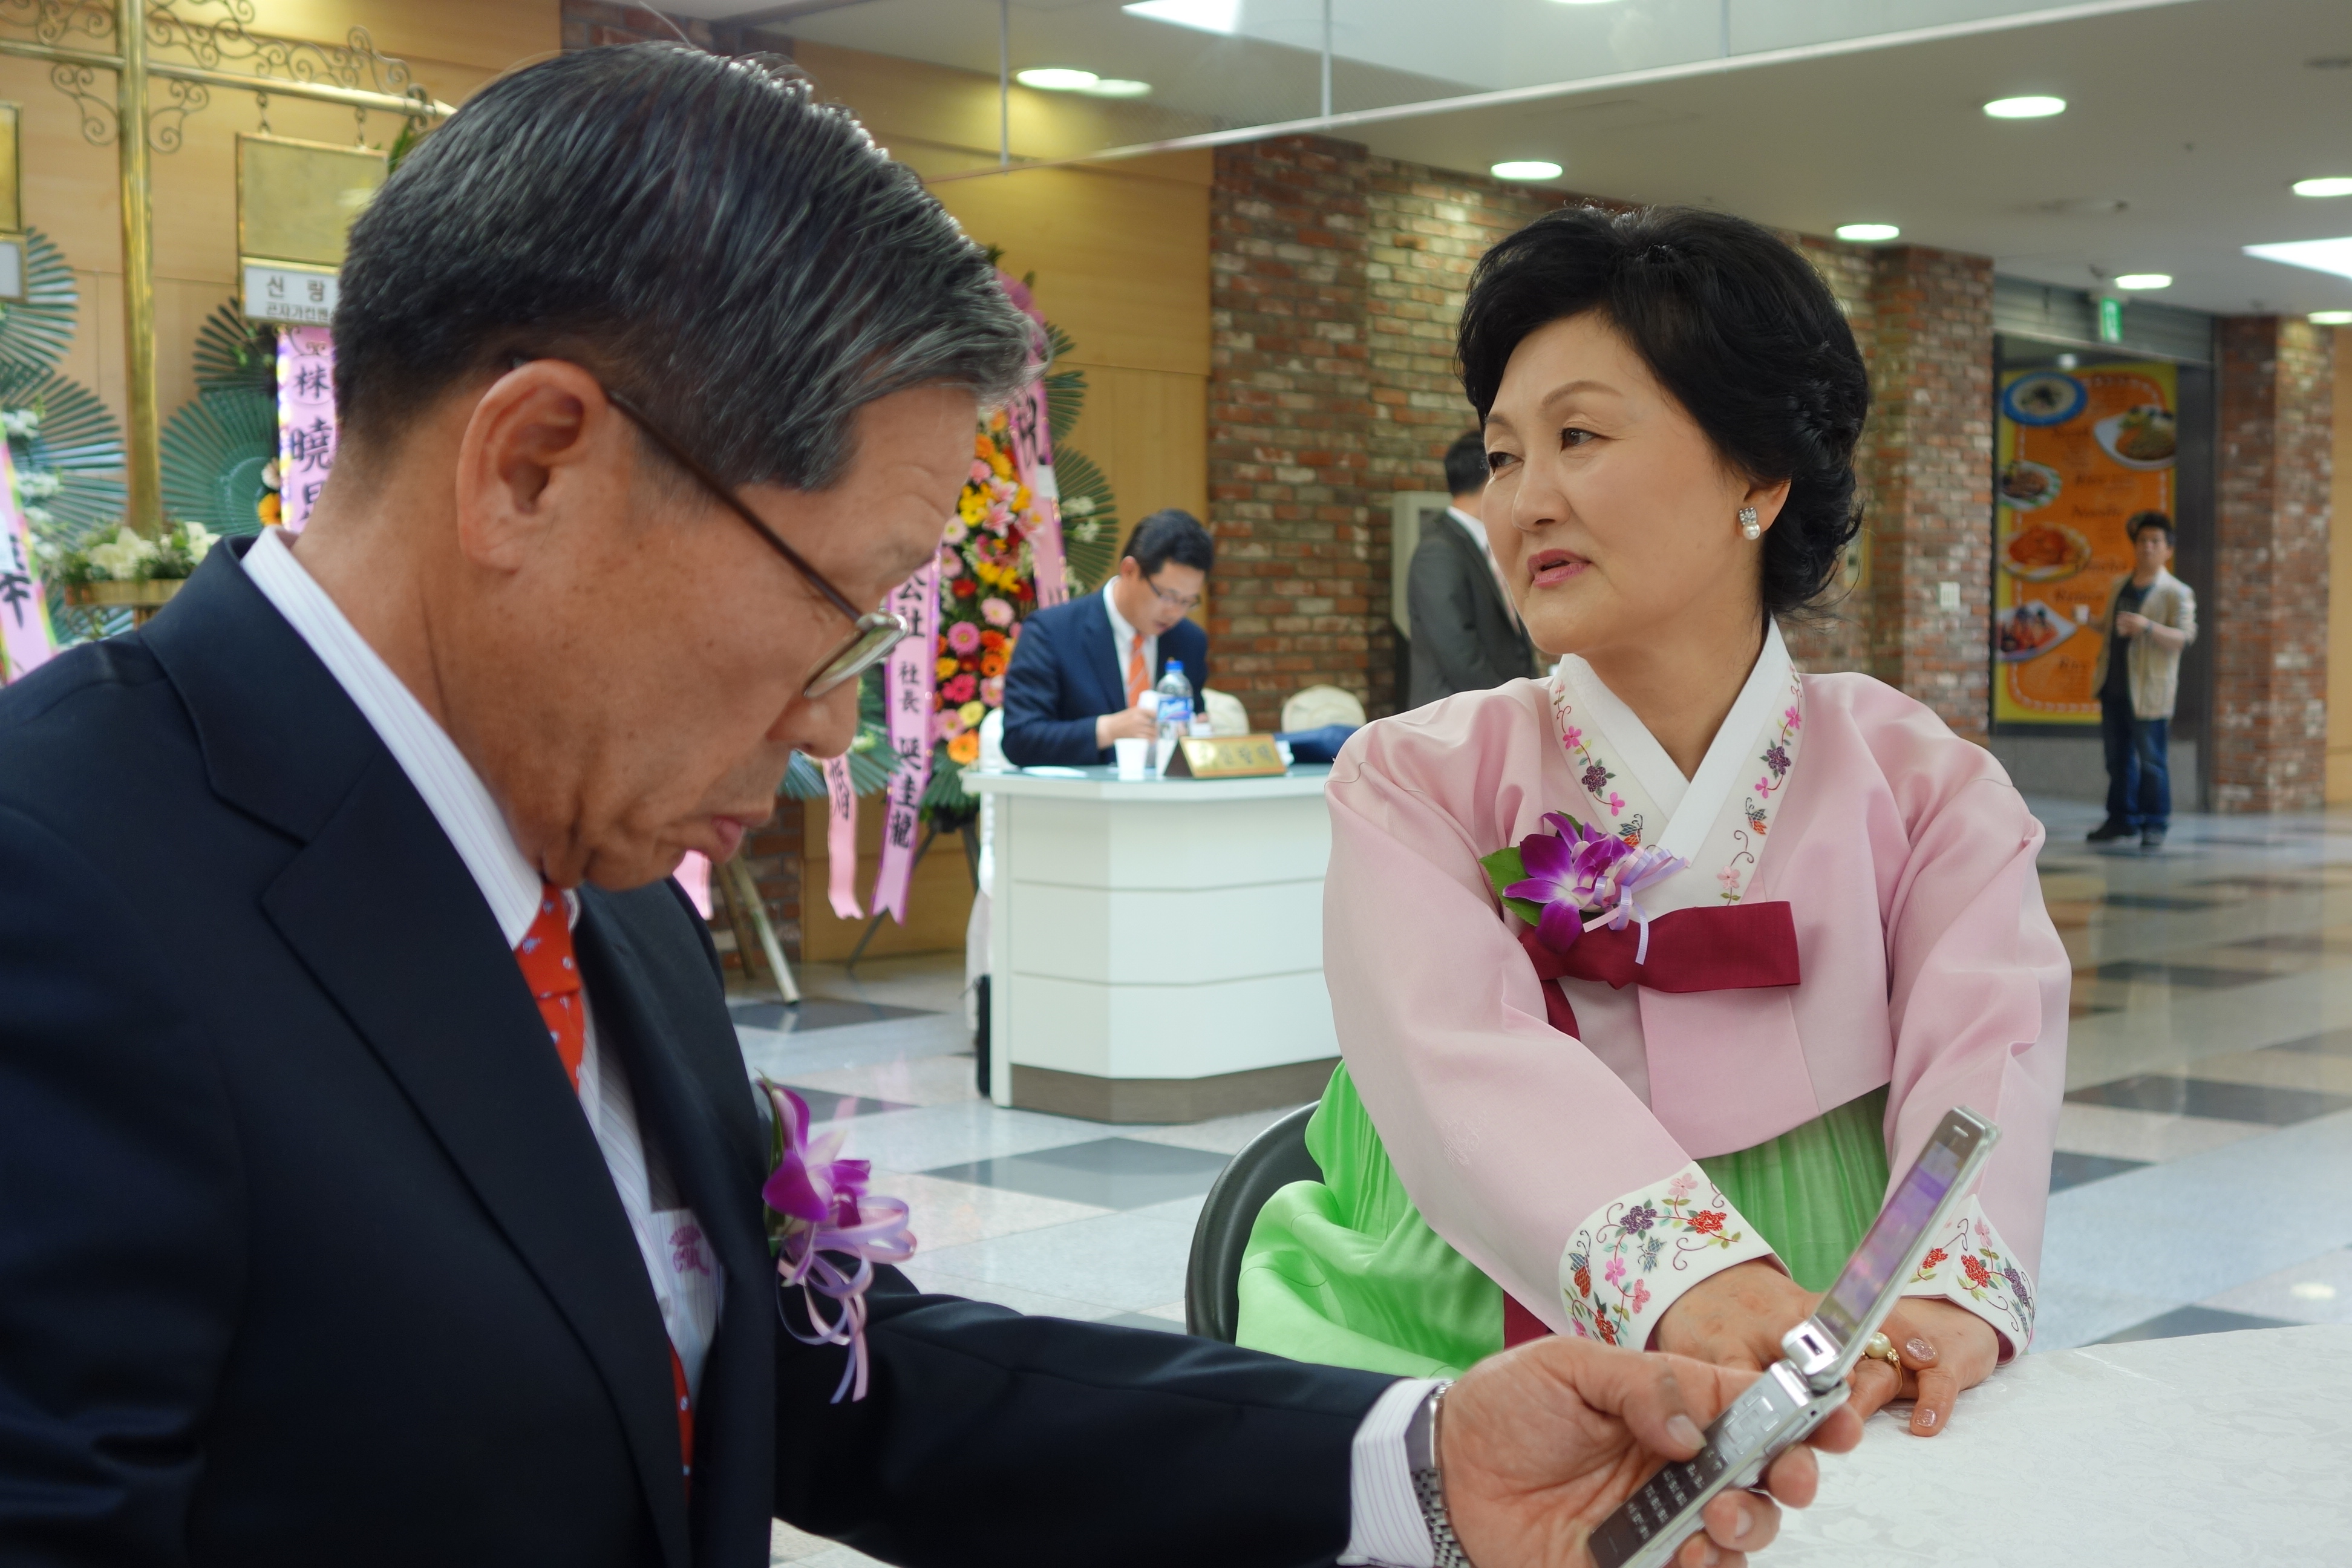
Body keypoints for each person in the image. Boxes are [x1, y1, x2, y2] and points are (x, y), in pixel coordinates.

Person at [0, 50, 1858, 1568]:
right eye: (840, 605)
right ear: (537, 466)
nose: (836, 720)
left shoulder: (599, 871)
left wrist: (1417, 1464)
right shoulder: (58, 900)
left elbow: (806, 1369)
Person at [1237, 205, 2068, 1445]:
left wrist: (1942, 1286)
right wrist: (1688, 1280)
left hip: (1839, 1294)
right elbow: (1450, 1053)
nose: (1525, 501)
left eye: (1576, 436)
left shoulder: (1926, 785)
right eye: (1504, 455)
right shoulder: (1414, 780)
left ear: (1759, 476)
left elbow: (1986, 1054)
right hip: (1460, 1295)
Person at [1001, 507, 1211, 766]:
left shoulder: (1189, 641)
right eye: (1168, 596)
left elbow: (1193, 720)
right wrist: (1107, 731)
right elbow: (1021, 739)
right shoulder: (1051, 632)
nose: (1175, 613)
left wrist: (1198, 733)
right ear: (1130, 570)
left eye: (1188, 602)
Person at [2086, 511, 2195, 851]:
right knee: (2116, 760)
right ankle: (2121, 819)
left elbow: (2184, 637)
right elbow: (2111, 627)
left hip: (2149, 690)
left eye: (2155, 542)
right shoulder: (2120, 584)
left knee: (2152, 761)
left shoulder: (2176, 592)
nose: (2148, 547)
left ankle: (2155, 823)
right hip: (2114, 686)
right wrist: (2090, 622)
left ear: (2168, 550)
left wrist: (2147, 627)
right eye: (2143, 541)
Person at [1409, 429, 1539, 706]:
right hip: (1460, 715)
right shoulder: (1439, 551)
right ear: (1490, 477)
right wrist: (1509, 705)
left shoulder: (1484, 543)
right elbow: (1457, 650)